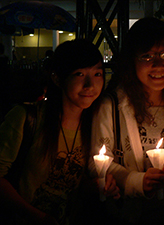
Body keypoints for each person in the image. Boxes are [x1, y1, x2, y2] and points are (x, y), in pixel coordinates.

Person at [0, 39, 120, 225]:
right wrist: (37, 216)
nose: (90, 85)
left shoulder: (96, 124)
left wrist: (98, 185)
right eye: (79, 74)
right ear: (57, 78)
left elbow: (75, 186)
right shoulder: (26, 118)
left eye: (97, 74)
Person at [91, 17, 164, 225]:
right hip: (126, 215)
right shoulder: (111, 106)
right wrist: (137, 182)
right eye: (147, 56)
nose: (158, 64)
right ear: (131, 61)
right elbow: (97, 162)